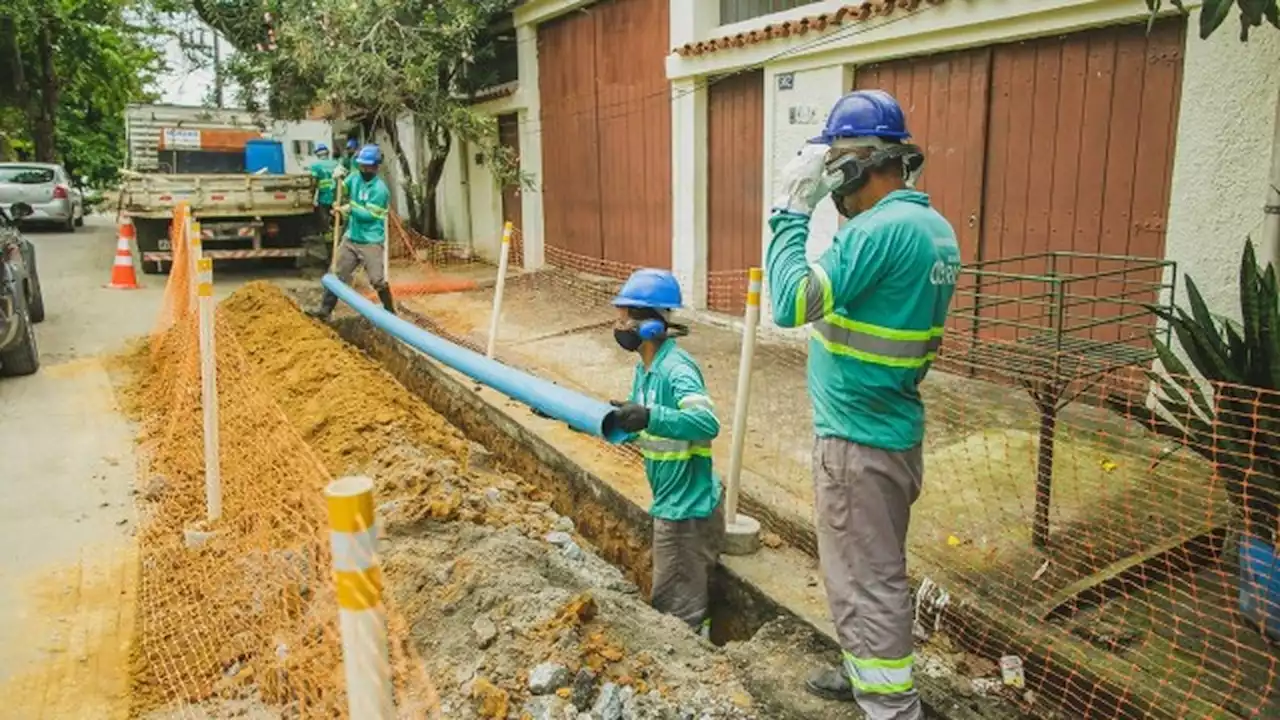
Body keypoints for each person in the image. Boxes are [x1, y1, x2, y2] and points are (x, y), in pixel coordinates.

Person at [764, 89, 961, 718]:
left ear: (855, 165)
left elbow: (791, 302)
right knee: (865, 573)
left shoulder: (878, 232)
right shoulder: (932, 227)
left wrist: (789, 213)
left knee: (867, 583)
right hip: (891, 431)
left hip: (857, 442)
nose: (832, 188)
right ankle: (864, 673)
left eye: (833, 170)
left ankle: (890, 706)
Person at [608, 268, 724, 638]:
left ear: (651, 325)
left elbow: (706, 422)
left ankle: (693, 662)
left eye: (626, 315)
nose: (619, 322)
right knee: (678, 596)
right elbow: (648, 431)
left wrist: (650, 416)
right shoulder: (645, 371)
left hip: (685, 509)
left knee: (677, 608)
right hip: (671, 502)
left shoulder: (676, 369)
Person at [307, 143, 396, 318]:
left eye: (368, 166)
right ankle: (325, 310)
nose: (364, 168)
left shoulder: (380, 190)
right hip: (351, 238)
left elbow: (370, 215)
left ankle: (390, 312)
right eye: (362, 165)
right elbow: (339, 191)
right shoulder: (354, 178)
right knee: (336, 274)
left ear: (376, 167)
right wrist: (336, 180)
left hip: (371, 240)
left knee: (377, 280)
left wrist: (348, 208)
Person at [308, 143, 340, 234]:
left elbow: (314, 181)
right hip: (336, 195)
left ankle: (327, 234)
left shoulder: (315, 165)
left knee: (324, 218)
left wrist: (312, 194)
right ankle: (336, 233)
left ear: (317, 154)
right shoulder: (336, 163)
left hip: (323, 197)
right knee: (336, 215)